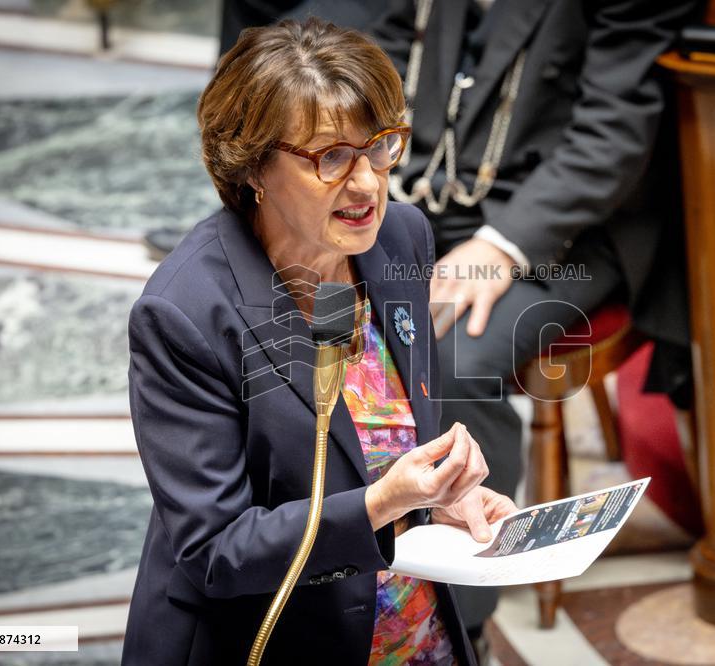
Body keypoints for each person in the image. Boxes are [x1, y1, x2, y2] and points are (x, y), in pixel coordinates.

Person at [122, 18, 516, 665]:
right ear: (252, 164)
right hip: (275, 641)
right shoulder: (185, 313)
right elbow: (216, 551)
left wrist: (437, 501)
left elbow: (382, 450)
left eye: (380, 146)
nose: (366, 184)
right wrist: (385, 502)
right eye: (331, 157)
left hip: (414, 629)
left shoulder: (400, 238)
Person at [370, 0, 703, 654]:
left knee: (448, 353)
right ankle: (343, 565)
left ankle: (459, 629)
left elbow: (612, 132)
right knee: (305, 313)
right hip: (419, 193)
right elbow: (360, 45)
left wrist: (500, 246)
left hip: (566, 231)